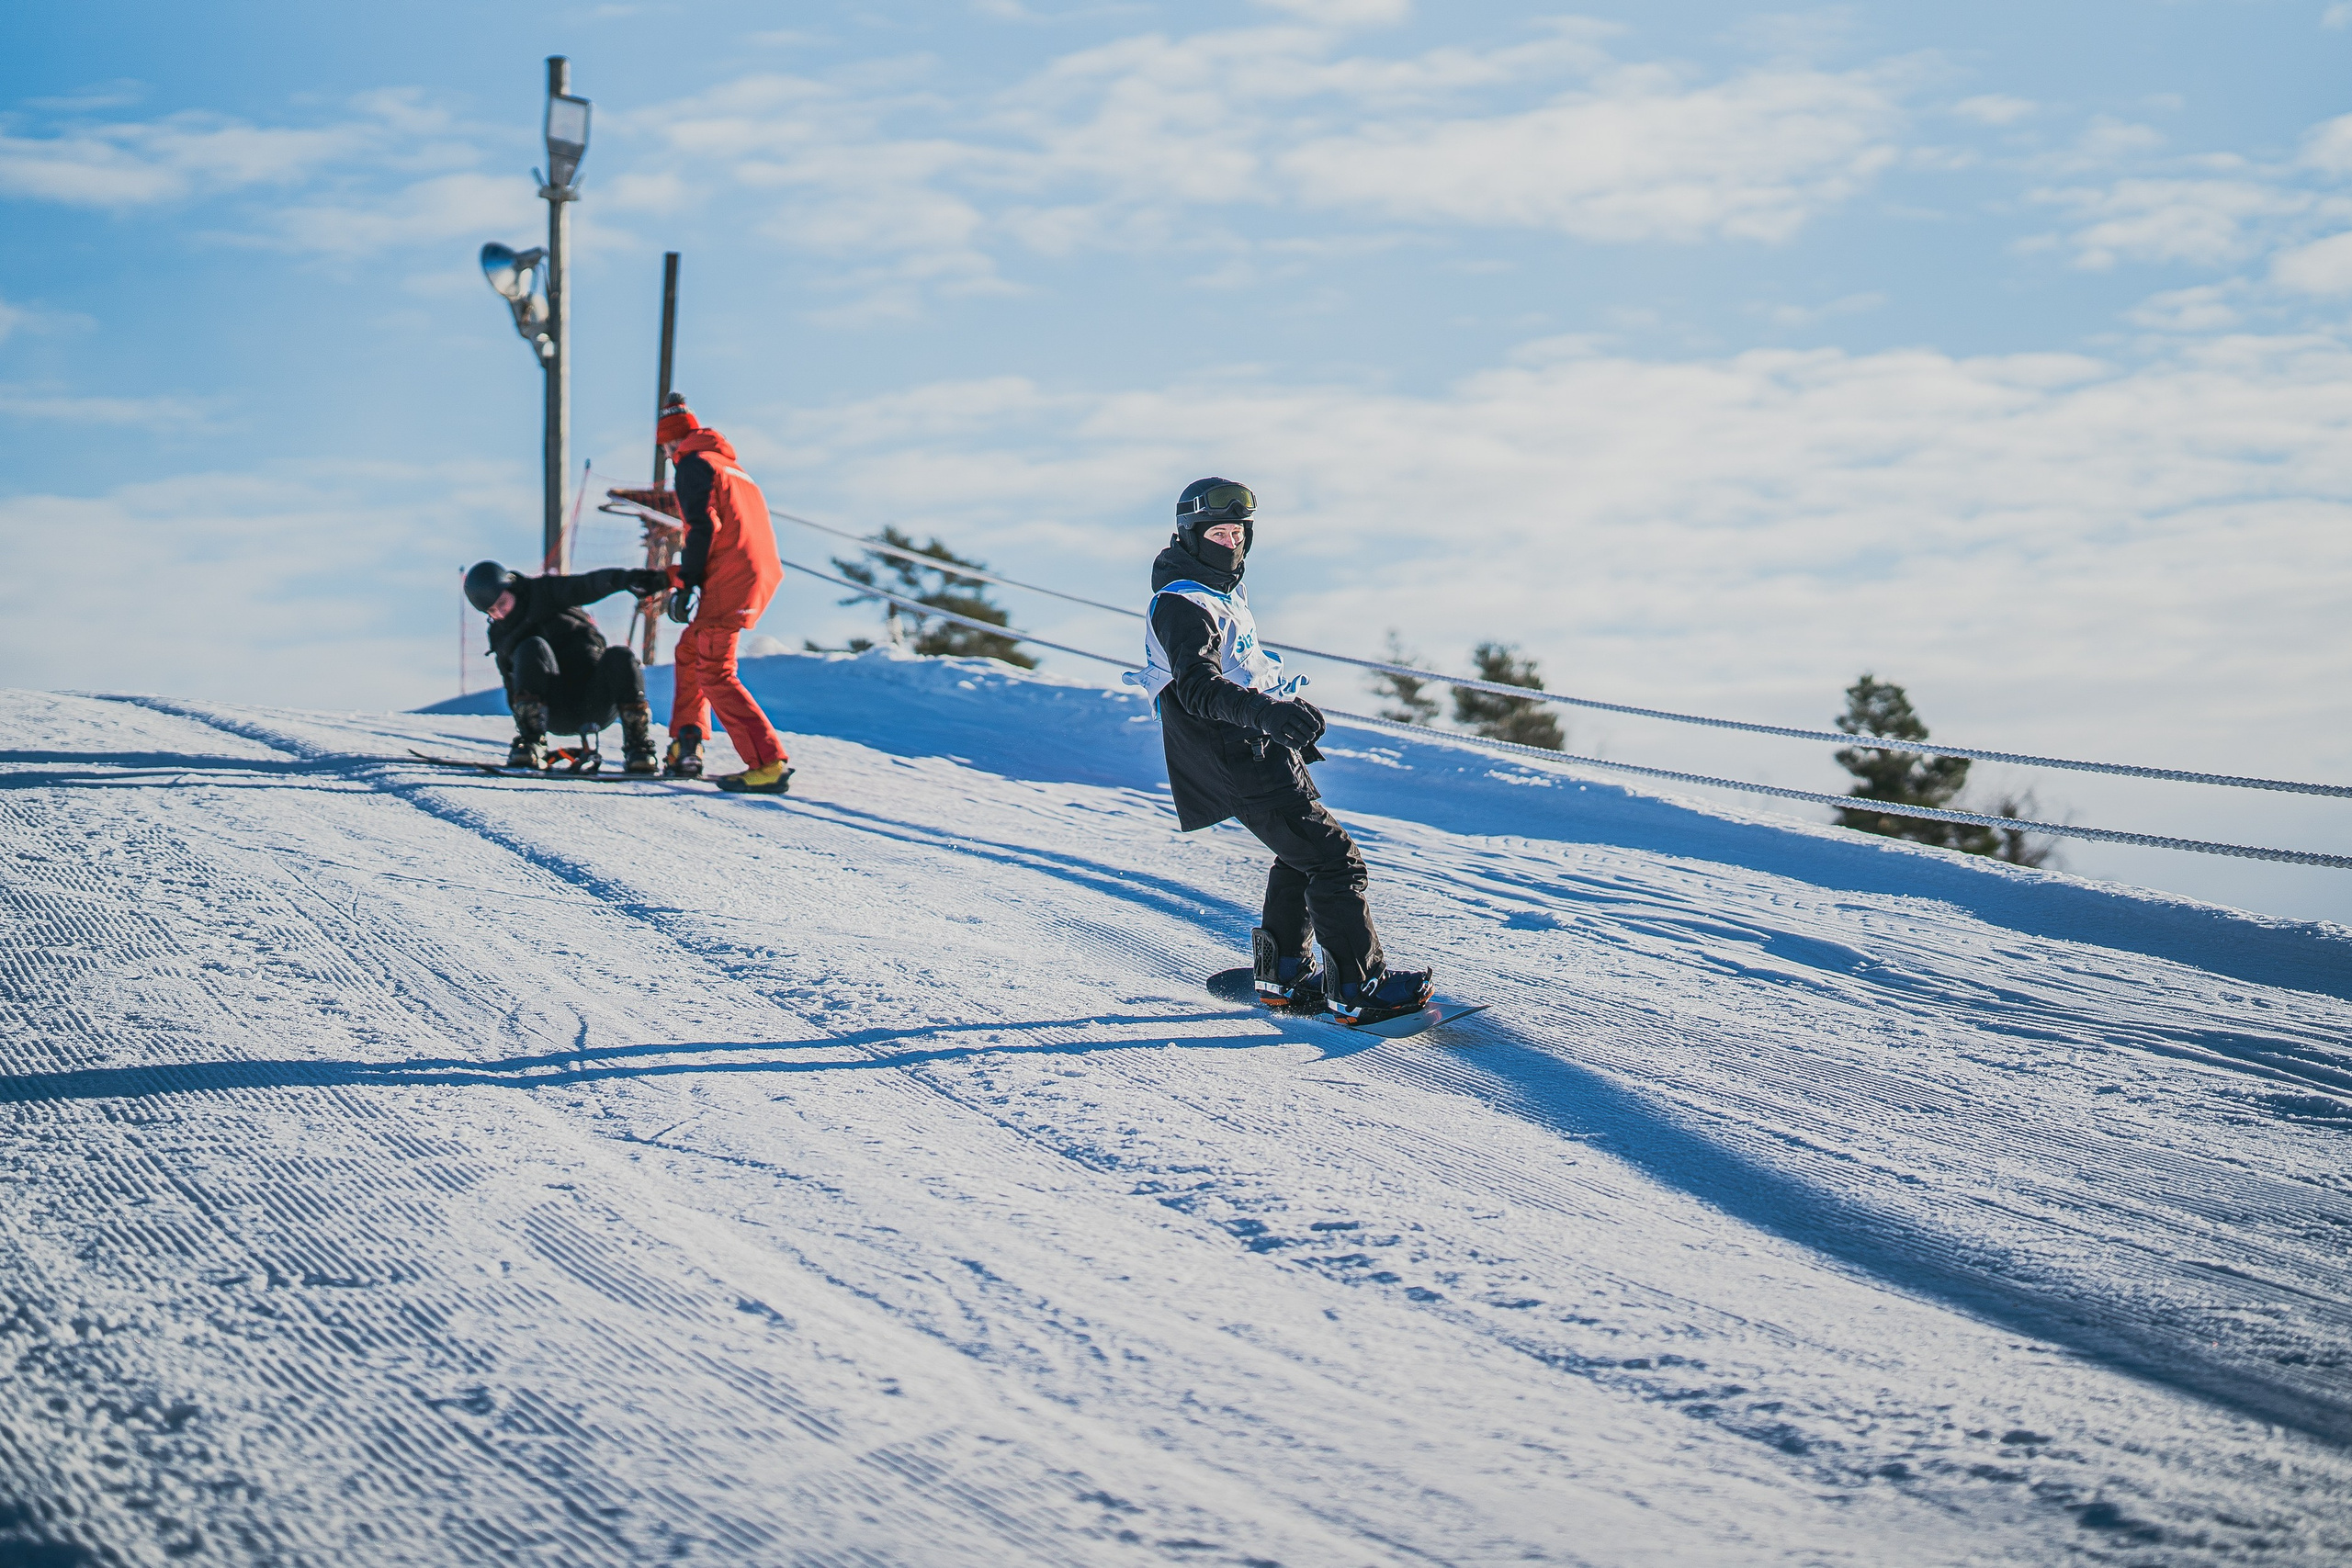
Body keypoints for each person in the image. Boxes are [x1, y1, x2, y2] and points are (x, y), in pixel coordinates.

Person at [1135, 477, 1435, 1026]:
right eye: (1217, 534)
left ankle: (1283, 974)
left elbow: (1241, 671)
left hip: (1259, 750)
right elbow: (1197, 688)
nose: (1230, 543)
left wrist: (1282, 706)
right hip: (1237, 755)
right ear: (1191, 537)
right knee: (1333, 860)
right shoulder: (1182, 604)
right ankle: (1356, 985)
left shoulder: (1219, 595)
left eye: (1237, 533)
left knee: (1299, 857)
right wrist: (1268, 714)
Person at [655, 393, 792, 794]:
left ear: (672, 443)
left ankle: (767, 762)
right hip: (753, 571)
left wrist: (689, 583)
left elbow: (702, 528)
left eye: (665, 448)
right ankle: (687, 743)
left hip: (730, 575)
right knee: (690, 651)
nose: (666, 456)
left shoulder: (694, 465)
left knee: (715, 669)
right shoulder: (731, 467)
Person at [463, 559, 669, 772]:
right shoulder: (500, 633)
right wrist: (525, 720)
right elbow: (512, 687)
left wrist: (627, 579)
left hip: (596, 700)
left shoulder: (544, 593)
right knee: (531, 646)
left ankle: (639, 748)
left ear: (511, 588)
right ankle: (532, 744)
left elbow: (587, 585)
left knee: (620, 655)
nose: (500, 614)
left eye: (502, 604)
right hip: (553, 711)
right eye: (492, 612)